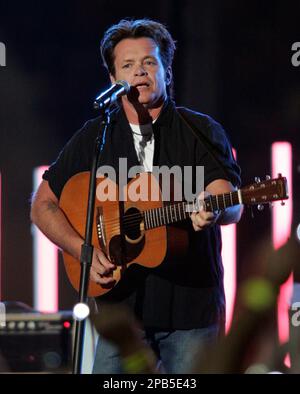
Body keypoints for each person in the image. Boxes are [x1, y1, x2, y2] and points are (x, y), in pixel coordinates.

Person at [30, 18, 243, 373]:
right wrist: (83, 251)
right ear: (114, 80)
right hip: (121, 317)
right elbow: (43, 205)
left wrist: (213, 209)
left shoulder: (200, 129)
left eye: (149, 62)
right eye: (127, 65)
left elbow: (229, 198)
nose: (140, 72)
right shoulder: (96, 136)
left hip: (190, 315)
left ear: (166, 71)